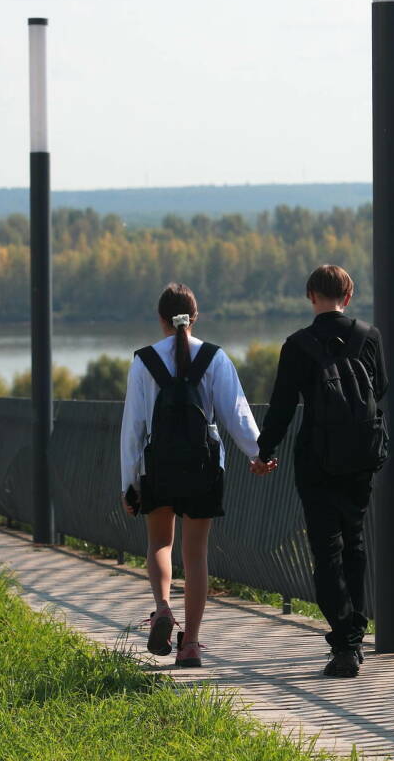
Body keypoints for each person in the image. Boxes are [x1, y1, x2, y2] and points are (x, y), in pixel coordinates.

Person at [120, 282, 265, 668]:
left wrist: (129, 483)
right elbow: (237, 414)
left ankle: (164, 608)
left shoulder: (144, 361)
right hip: (204, 469)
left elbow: (133, 428)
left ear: (161, 319)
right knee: (196, 554)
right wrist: (259, 454)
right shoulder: (215, 358)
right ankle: (192, 646)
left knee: (159, 543)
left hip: (157, 467)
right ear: (195, 316)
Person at [254, 264, 388, 678]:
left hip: (315, 460)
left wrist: (264, 451)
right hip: (360, 458)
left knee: (326, 551)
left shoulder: (297, 345)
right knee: (354, 542)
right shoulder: (369, 336)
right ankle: (354, 637)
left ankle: (345, 642)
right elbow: (381, 388)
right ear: (348, 297)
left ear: (311, 296)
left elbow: (281, 406)